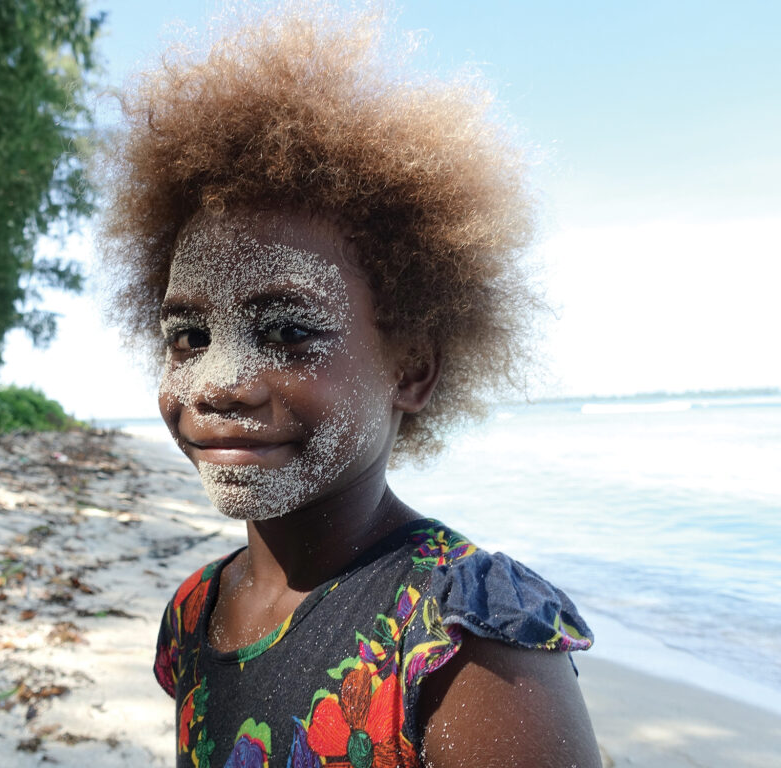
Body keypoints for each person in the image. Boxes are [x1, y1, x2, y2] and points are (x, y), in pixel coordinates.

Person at [101, 6, 601, 767]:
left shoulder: (468, 649)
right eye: (189, 337)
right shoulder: (195, 616)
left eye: (289, 331)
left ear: (411, 368)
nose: (219, 383)